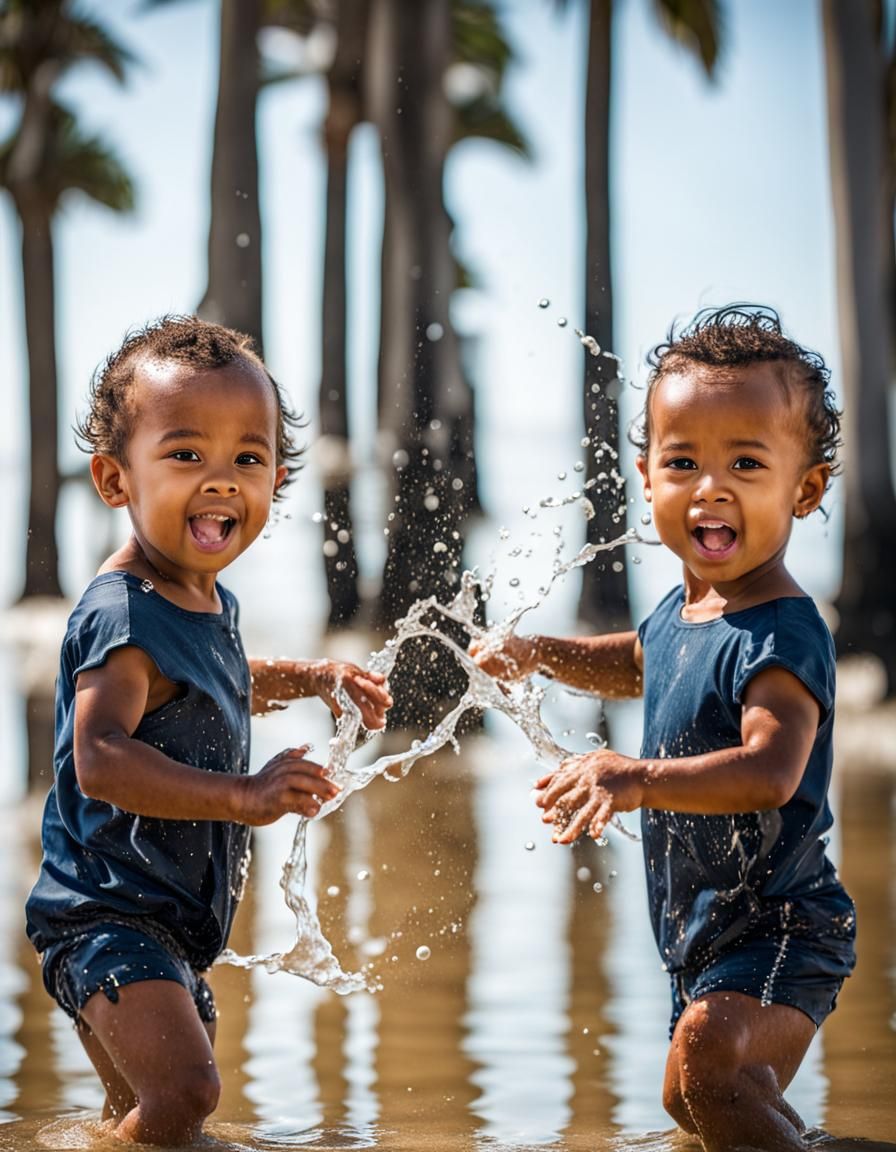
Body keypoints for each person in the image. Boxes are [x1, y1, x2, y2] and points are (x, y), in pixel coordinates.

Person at [473, 306, 857, 1152]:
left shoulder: (780, 633)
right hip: (708, 930)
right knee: (696, 1101)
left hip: (783, 924)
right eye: (683, 462)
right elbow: (639, 662)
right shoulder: (689, 611)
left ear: (807, 488)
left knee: (708, 1070)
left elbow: (770, 771)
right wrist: (539, 651)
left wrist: (634, 776)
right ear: (647, 478)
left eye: (746, 464)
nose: (710, 487)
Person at [25, 316, 392, 1146]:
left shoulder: (206, 599)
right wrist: (243, 794)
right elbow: (102, 757)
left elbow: (205, 687)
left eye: (247, 460)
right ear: (116, 480)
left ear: (278, 478)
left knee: (148, 1117)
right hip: (104, 916)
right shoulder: (121, 611)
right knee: (188, 1093)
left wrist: (312, 678)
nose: (222, 481)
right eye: (186, 455)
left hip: (172, 924)